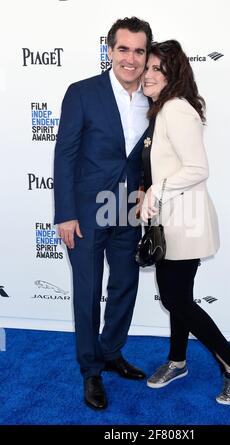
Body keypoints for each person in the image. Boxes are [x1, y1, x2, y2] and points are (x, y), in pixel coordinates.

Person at [140, 40, 230, 405]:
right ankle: (177, 361)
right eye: (148, 67)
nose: (148, 74)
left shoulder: (175, 109)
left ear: (173, 74)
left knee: (176, 298)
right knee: (179, 298)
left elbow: (198, 169)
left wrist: (156, 190)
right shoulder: (162, 110)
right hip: (171, 219)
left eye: (158, 68)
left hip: (183, 222)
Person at [53, 17, 153, 410]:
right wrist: (65, 214)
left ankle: (111, 352)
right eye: (124, 49)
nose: (131, 58)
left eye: (139, 50)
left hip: (127, 208)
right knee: (88, 292)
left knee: (125, 284)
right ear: (109, 51)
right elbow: (65, 155)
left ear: (146, 56)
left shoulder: (151, 98)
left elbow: (146, 155)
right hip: (86, 211)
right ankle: (90, 370)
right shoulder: (82, 93)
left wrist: (145, 186)